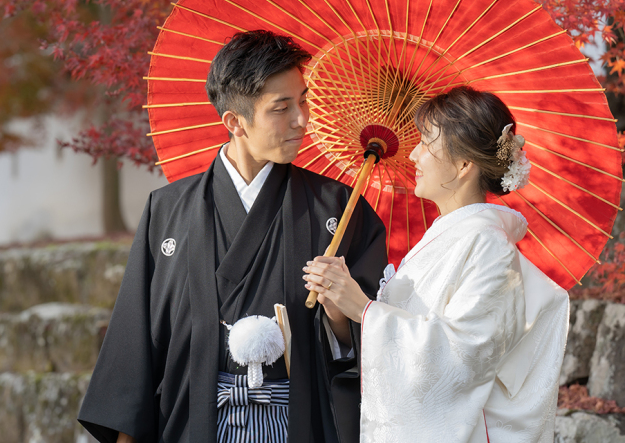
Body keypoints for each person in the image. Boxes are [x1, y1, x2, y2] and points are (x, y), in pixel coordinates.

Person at [78, 30, 388, 443]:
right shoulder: (168, 210)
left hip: (300, 423)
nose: (302, 119)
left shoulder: (338, 209)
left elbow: (376, 338)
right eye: (282, 108)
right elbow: (134, 346)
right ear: (234, 121)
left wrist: (338, 309)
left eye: (303, 100)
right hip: (195, 422)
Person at [304, 86, 570, 442]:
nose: (413, 154)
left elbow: (462, 358)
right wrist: (341, 311)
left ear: (463, 165)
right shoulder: (448, 238)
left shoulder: (488, 245)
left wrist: (364, 309)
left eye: (426, 144)